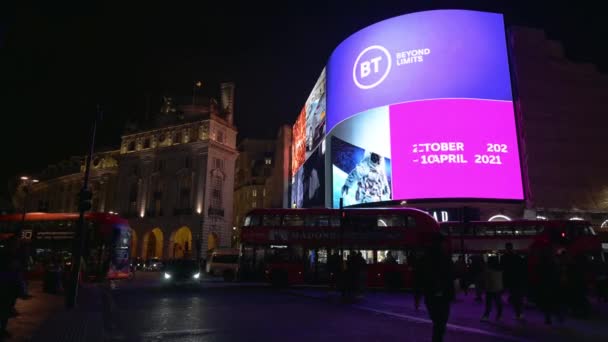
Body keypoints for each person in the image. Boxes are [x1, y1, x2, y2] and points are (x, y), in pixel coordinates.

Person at [414, 234, 454, 342]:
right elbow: (450, 276)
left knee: (437, 322)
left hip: (430, 294)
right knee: (441, 322)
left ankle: (437, 339)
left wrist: (417, 298)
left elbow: (418, 279)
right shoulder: (446, 258)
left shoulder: (424, 259)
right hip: (444, 294)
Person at [501, 242, 525, 320]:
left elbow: (503, 270)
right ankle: (519, 313)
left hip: (511, 280)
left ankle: (518, 313)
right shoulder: (517, 257)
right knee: (518, 297)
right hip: (517, 279)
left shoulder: (504, 257)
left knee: (515, 297)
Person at [481, 256, 503, 322]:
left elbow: (486, 279)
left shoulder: (487, 269)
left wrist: (484, 286)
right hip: (498, 287)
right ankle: (499, 316)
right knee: (498, 302)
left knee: (488, 303)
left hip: (489, 288)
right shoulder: (499, 268)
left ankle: (486, 316)